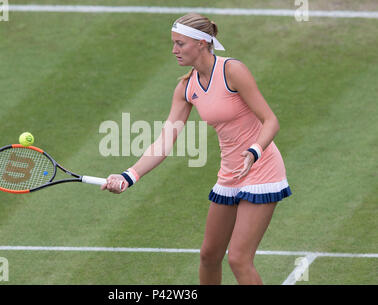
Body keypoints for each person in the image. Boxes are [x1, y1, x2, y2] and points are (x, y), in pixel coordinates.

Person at [101, 13, 291, 285]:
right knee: (209, 255)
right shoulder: (185, 87)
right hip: (230, 174)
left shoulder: (232, 71)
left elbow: (271, 121)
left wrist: (254, 151)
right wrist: (128, 176)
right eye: (174, 43)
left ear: (202, 43)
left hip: (262, 169)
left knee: (238, 258)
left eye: (180, 44)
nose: (174, 50)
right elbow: (165, 141)